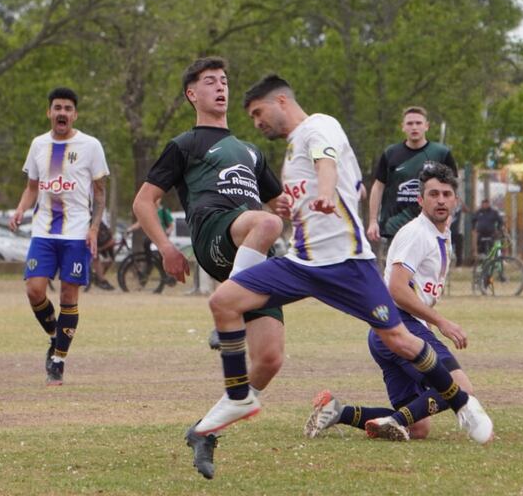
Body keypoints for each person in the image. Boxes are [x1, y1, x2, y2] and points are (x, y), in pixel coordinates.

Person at [185, 75, 491, 480]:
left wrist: (328, 190)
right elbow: (343, 186)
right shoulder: (293, 147)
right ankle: (240, 397)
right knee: (222, 302)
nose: (257, 122)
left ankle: (463, 404)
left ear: (280, 101)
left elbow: (326, 163)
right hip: (303, 264)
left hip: (348, 265)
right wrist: (289, 204)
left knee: (398, 338)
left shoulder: (319, 126)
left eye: (258, 113)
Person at [131, 58, 287, 447]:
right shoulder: (184, 145)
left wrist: (308, 202)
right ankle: (225, 307)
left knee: (269, 361)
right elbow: (143, 202)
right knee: (265, 224)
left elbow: (280, 203)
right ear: (192, 94)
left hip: (249, 249)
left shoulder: (251, 151)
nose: (221, 87)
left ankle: (206, 430)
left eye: (224, 81)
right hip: (214, 232)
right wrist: (167, 248)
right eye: (210, 81)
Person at [304, 163, 482, 442]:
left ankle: (337, 411)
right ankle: (394, 420)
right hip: (402, 327)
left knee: (419, 428)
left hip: (385, 332)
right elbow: (397, 289)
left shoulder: (441, 233)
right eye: (433, 194)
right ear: (420, 200)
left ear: (456, 201)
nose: (441, 200)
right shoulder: (417, 234)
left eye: (447, 194)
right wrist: (441, 322)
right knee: (461, 389)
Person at [9, 86, 109, 386]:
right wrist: (19, 210)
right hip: (43, 231)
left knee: (68, 295)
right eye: (57, 108)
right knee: (34, 290)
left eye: (67, 108)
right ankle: (56, 335)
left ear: (74, 114)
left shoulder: (90, 145)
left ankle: (58, 360)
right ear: (49, 112)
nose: (62, 113)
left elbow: (100, 193)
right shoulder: (39, 144)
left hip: (76, 233)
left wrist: (93, 228)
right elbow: (31, 187)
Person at [367, 106, 457, 243]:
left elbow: (453, 189)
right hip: (396, 227)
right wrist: (373, 221)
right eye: (409, 123)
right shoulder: (391, 153)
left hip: (431, 226)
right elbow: (378, 187)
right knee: (398, 264)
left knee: (431, 264)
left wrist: (448, 219)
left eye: (418, 123)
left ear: (426, 126)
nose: (414, 127)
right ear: (402, 127)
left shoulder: (441, 153)